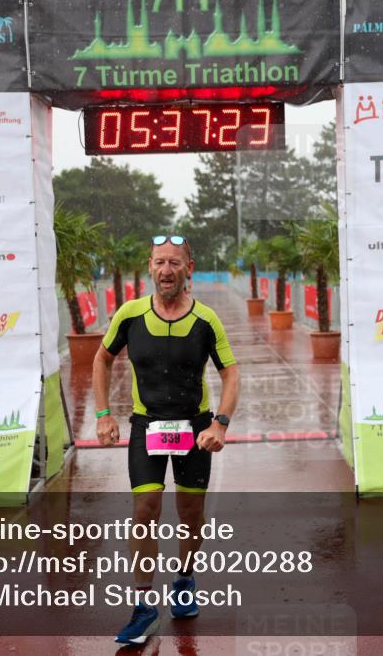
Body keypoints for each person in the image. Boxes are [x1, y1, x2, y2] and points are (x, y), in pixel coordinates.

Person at [92, 234, 240, 646]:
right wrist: (103, 415)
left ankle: (185, 580)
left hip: (195, 428)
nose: (166, 270)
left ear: (188, 268)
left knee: (190, 512)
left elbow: (231, 372)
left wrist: (220, 425)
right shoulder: (130, 314)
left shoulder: (206, 320)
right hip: (147, 425)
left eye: (175, 262)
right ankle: (143, 606)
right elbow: (102, 358)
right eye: (160, 262)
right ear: (150, 266)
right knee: (145, 508)